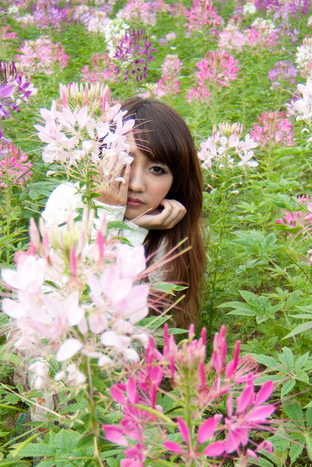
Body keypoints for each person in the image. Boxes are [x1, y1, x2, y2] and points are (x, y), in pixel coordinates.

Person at [41, 96, 206, 330]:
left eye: (157, 169)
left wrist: (132, 228)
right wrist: (115, 216)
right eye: (123, 160)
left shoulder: (168, 240)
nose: (136, 184)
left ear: (175, 184)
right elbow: (68, 305)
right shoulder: (68, 199)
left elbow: (122, 326)